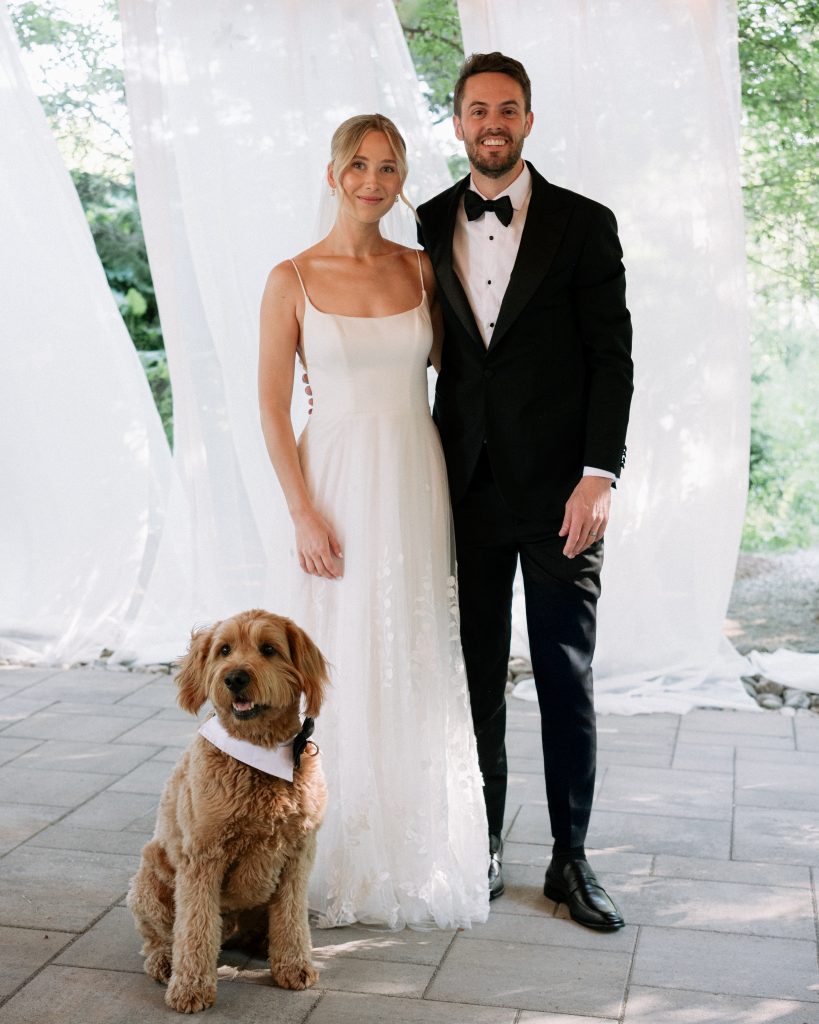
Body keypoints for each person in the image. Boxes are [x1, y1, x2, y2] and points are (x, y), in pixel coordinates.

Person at [416, 53, 633, 931]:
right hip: (461, 485)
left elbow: (610, 358)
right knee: (471, 679)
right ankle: (485, 847)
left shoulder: (585, 223)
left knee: (563, 677)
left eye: (506, 109)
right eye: (476, 110)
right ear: (458, 122)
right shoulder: (429, 220)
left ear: (527, 122)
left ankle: (571, 861)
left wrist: (599, 475)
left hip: (560, 497)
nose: (491, 122)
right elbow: (408, 333)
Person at [258, 114, 489, 930]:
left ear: (400, 182)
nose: (372, 180)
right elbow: (271, 408)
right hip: (334, 484)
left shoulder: (423, 269)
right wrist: (301, 511)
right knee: (339, 653)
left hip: (412, 480)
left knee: (410, 647)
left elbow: (470, 373)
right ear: (331, 174)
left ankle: (409, 844)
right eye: (357, 165)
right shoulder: (291, 276)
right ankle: (316, 849)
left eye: (388, 168)